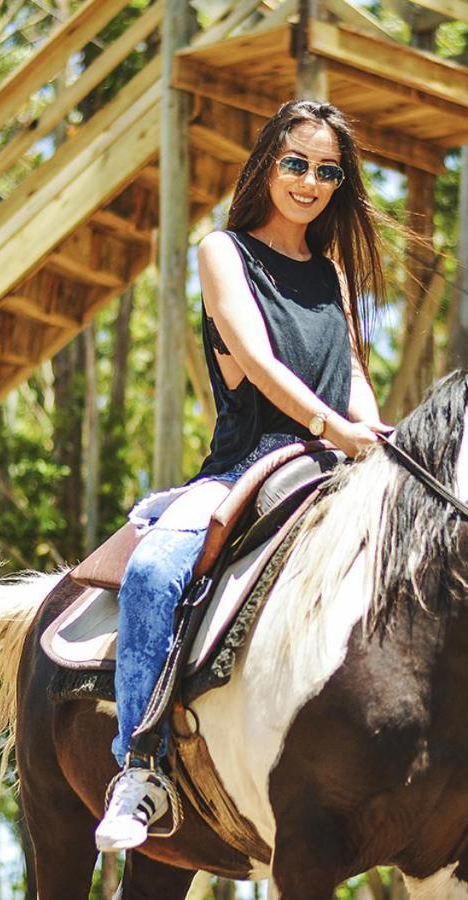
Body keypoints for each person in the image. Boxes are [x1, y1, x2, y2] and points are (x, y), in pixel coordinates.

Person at [95, 99, 395, 852]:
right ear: (267, 164)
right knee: (157, 570)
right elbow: (256, 363)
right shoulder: (221, 251)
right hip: (250, 461)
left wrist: (376, 434)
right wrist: (334, 428)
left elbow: (352, 371)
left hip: (335, 463)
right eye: (297, 163)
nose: (310, 181)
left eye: (328, 171)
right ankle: (139, 764)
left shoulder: (330, 270)